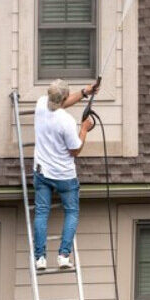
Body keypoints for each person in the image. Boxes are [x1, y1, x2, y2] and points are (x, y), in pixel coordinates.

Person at [32, 79, 98, 270]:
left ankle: (40, 259)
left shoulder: (41, 104)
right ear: (64, 98)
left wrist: (85, 92)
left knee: (41, 213)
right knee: (71, 212)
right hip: (64, 177)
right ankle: (63, 256)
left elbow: (61, 103)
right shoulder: (67, 121)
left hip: (42, 172)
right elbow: (75, 150)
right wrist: (84, 129)